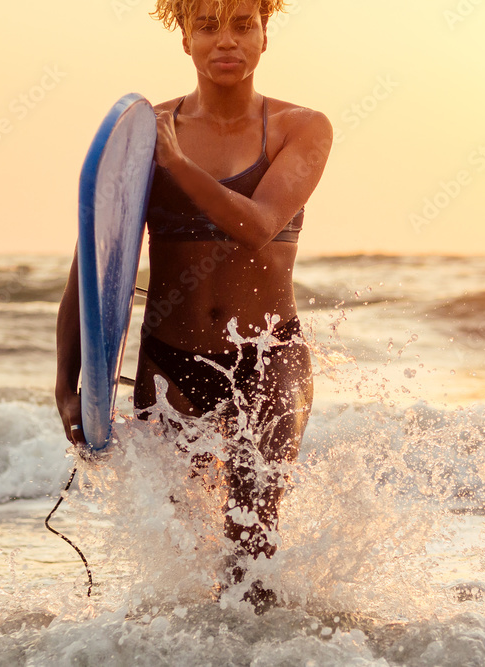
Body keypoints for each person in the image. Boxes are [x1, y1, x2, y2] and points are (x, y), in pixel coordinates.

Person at [54, 0, 332, 612]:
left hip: (269, 357)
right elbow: (93, 266)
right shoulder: (140, 135)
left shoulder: (301, 128)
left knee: (251, 535)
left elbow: (258, 225)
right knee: (188, 548)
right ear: (184, 39)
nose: (224, 41)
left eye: (241, 25)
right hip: (170, 360)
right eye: (206, 26)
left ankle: (267, 651)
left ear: (265, 36)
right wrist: (67, 386)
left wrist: (176, 164)